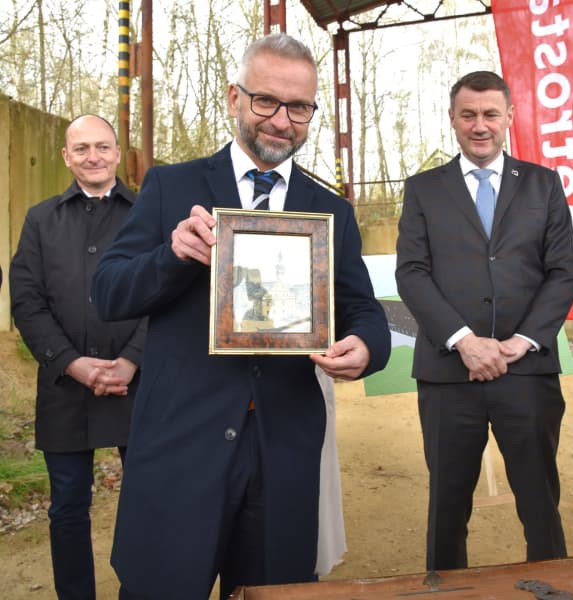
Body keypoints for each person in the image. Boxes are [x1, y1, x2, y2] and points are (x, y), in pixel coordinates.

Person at [91, 33, 390, 600]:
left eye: (298, 107)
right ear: (234, 98)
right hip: (181, 448)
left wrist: (366, 347)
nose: (281, 121)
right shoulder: (171, 186)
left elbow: (364, 312)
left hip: (283, 454)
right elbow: (108, 293)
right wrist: (172, 255)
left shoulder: (331, 211)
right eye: (266, 101)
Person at [395, 71, 573, 572]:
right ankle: (446, 588)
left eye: (490, 114)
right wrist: (464, 341)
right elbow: (411, 272)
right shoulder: (423, 189)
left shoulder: (543, 184)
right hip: (448, 374)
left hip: (528, 374)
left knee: (540, 503)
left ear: (509, 118)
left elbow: (564, 272)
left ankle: (552, 587)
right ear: (453, 119)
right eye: (469, 115)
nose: (480, 125)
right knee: (447, 506)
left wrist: (522, 341)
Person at [9, 114, 146, 599]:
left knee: (147, 503)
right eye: (82, 148)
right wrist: (70, 362)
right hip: (64, 387)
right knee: (67, 508)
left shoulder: (148, 214)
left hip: (139, 384)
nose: (94, 157)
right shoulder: (40, 219)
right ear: (66, 157)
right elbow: (26, 301)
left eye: (102, 147)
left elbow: (169, 292)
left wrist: (132, 358)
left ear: (117, 152)